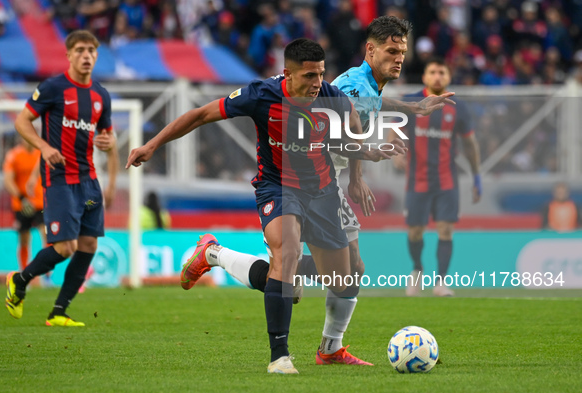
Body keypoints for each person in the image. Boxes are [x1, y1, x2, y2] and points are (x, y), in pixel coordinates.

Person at [176, 15, 456, 366]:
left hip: (324, 180)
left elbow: (365, 108)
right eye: (391, 50)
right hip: (306, 181)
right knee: (304, 279)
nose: (399, 57)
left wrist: (409, 107)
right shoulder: (353, 86)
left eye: (402, 50)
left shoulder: (366, 85)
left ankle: (329, 348)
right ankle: (215, 255)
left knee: (343, 271)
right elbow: (350, 116)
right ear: (370, 50)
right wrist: (357, 174)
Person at [127, 38, 407, 374]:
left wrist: (359, 171)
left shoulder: (333, 98)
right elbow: (201, 114)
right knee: (286, 257)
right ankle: (280, 357)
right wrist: (152, 145)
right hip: (278, 187)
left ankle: (214, 254)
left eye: (320, 74)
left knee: (344, 278)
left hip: (322, 192)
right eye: (309, 76)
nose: (317, 83)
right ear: (287, 74)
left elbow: (353, 130)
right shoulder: (261, 95)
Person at [5, 30, 118, 327]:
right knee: (65, 247)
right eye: (80, 50)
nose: (86, 56)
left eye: (91, 50)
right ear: (68, 55)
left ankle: (58, 312)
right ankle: (19, 280)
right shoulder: (54, 88)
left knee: (89, 245)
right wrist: (43, 147)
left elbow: (107, 137)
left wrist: (108, 143)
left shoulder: (101, 95)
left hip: (89, 179)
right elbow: (22, 121)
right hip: (59, 179)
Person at [390, 58, 482, 297]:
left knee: (445, 229)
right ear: (425, 77)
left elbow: (470, 144)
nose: (437, 76)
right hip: (416, 179)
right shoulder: (411, 100)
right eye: (433, 72)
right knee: (415, 232)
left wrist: (476, 176)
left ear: (449, 77)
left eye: (442, 72)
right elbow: (394, 127)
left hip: (446, 179)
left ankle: (440, 282)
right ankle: (417, 269)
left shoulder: (458, 107)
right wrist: (393, 150)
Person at [3, 137, 46, 272]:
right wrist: (22, 198)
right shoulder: (13, 155)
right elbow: (8, 181)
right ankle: (24, 273)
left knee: (47, 236)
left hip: (41, 203)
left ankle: (47, 275)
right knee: (24, 239)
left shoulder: (41, 153)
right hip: (21, 205)